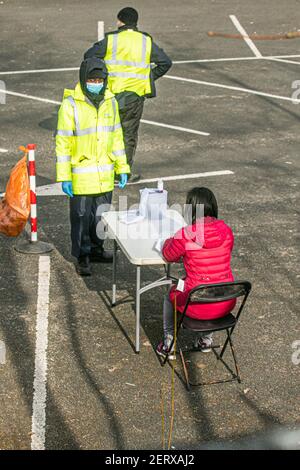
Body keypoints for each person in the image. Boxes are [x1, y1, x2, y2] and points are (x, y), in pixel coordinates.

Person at [56, 57, 130, 276]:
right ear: (83, 79)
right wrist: (64, 176)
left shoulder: (111, 102)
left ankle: (97, 249)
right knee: (81, 217)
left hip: (105, 173)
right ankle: (83, 256)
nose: (96, 83)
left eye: (99, 79)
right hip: (80, 174)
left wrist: (122, 166)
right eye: (92, 79)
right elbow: (63, 142)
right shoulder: (71, 105)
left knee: (101, 215)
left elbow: (116, 136)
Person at [84, 6, 172, 182]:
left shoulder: (111, 40)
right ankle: (122, 173)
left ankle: (103, 168)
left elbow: (89, 56)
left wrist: (102, 75)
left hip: (111, 95)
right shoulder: (145, 41)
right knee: (128, 134)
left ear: (120, 21)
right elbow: (165, 62)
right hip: (134, 96)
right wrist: (148, 78)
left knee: (106, 132)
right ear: (135, 22)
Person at [156, 187, 236, 360]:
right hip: (226, 300)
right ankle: (206, 340)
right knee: (209, 283)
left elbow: (168, 254)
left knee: (171, 294)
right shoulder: (227, 231)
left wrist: (171, 240)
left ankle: (168, 343)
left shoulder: (186, 234)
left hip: (198, 304)